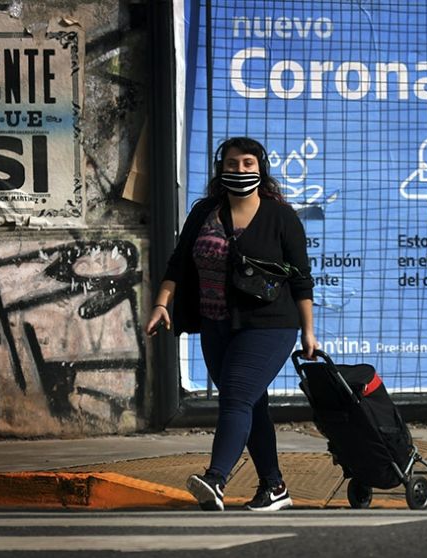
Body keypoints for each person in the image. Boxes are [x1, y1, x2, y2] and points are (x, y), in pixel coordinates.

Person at [144, 136, 318, 512]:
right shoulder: (204, 212)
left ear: (260, 169)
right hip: (216, 325)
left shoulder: (281, 216)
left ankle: (215, 478)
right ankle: (275, 487)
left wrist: (308, 331)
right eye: (233, 163)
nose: (240, 170)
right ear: (221, 169)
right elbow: (178, 263)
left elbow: (301, 278)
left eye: (248, 164)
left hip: (269, 325)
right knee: (250, 405)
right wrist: (161, 303)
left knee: (235, 397)